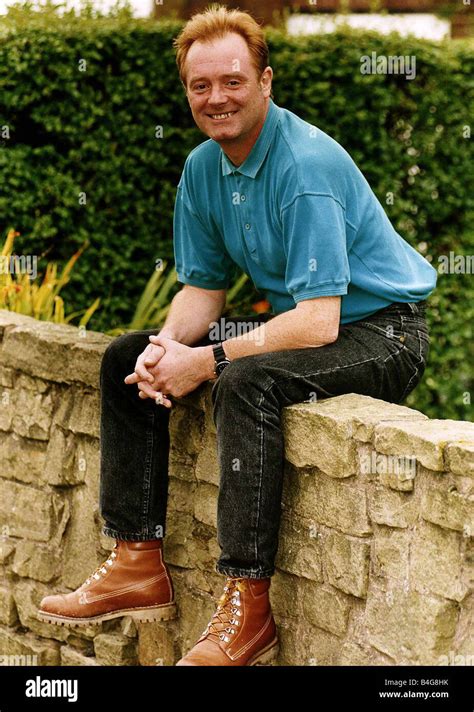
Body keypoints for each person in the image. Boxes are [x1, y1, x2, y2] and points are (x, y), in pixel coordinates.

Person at [38, 5, 437, 666]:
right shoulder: (202, 169)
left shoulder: (304, 166)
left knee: (246, 379)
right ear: (188, 92)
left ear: (266, 82)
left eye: (232, 81)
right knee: (126, 357)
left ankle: (248, 607)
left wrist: (211, 359)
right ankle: (137, 560)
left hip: (383, 331)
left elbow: (319, 322)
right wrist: (168, 349)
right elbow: (202, 292)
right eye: (201, 86)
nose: (216, 97)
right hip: (312, 322)